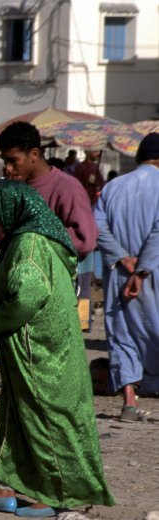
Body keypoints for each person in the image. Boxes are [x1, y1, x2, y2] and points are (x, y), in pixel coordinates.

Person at [0, 179, 114, 517]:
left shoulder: (28, 245)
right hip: (40, 345)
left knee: (45, 417)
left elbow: (26, 299)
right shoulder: (37, 239)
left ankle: (55, 493)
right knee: (16, 415)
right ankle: (6, 487)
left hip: (41, 350)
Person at [93, 133, 159, 421]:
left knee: (122, 332)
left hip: (120, 273)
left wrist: (122, 259)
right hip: (152, 272)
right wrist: (142, 269)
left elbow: (98, 226)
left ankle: (129, 401)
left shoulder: (113, 187)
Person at [0, 121, 97, 301]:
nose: (8, 168)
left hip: (61, 291)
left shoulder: (67, 187)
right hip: (24, 289)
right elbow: (8, 242)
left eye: (13, 160)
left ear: (34, 154)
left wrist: (33, 237)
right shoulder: (14, 191)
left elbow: (85, 240)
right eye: (5, 161)